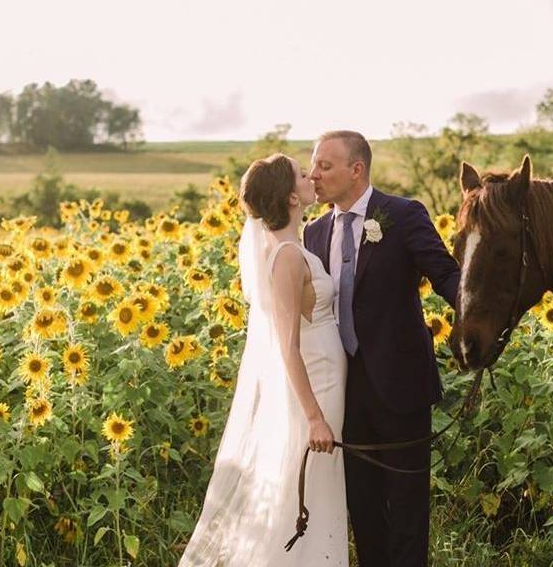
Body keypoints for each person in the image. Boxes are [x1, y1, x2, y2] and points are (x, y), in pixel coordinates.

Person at [179, 153, 349, 566]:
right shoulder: (287, 257)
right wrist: (313, 417)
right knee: (304, 493)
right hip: (315, 391)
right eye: (301, 173)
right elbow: (286, 345)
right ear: (291, 197)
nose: (310, 176)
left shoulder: (296, 247)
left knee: (315, 492)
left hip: (326, 382)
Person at [305, 130, 460, 567]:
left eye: (325, 166)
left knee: (409, 509)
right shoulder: (314, 234)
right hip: (344, 392)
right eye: (314, 165)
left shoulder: (403, 214)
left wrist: (481, 323)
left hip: (402, 386)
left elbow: (446, 275)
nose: (314, 174)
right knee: (364, 509)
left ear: (357, 170)